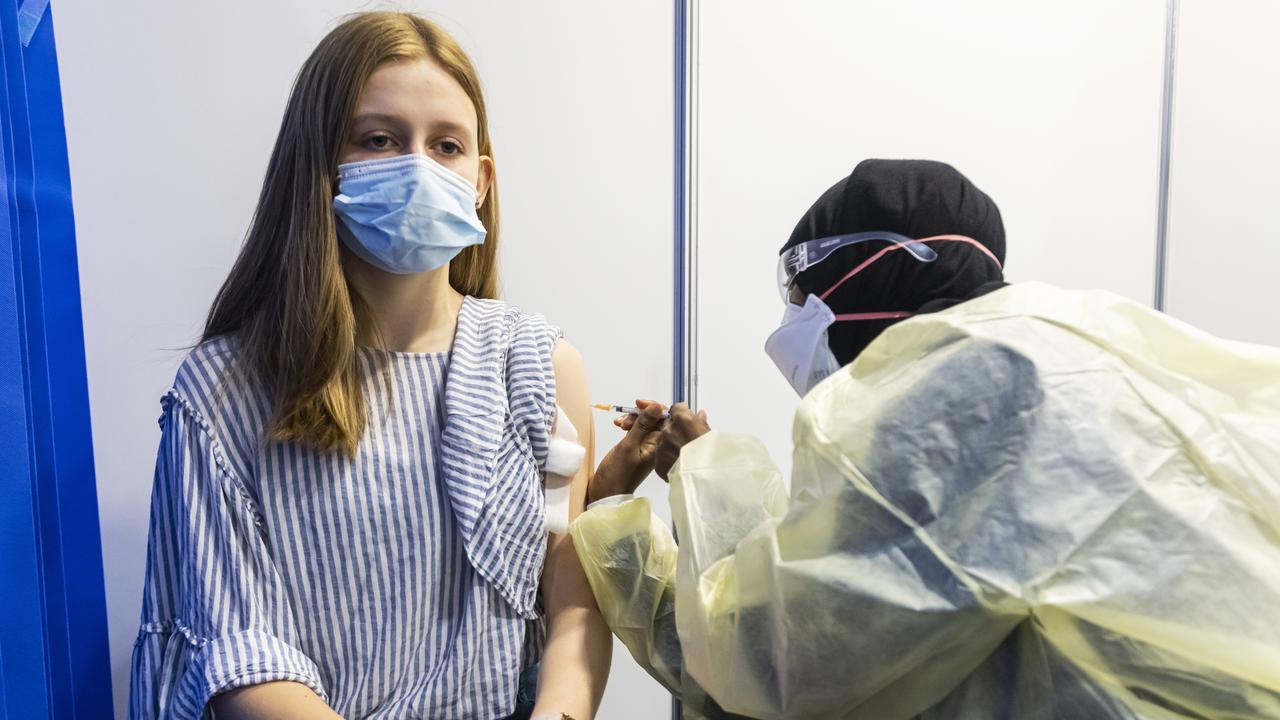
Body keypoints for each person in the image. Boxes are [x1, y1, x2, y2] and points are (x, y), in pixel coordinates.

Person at [577, 159, 1280, 719]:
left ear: (873, 271)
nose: (791, 328)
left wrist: (630, 505)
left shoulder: (955, 397)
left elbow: (769, 663)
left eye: (802, 299)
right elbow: (858, 602)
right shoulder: (1075, 345)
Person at [130, 13, 609, 720]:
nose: (418, 165)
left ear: (480, 180)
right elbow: (242, 660)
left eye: (445, 145)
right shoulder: (226, 392)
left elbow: (573, 607)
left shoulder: (538, 370)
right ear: (322, 163)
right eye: (379, 139)